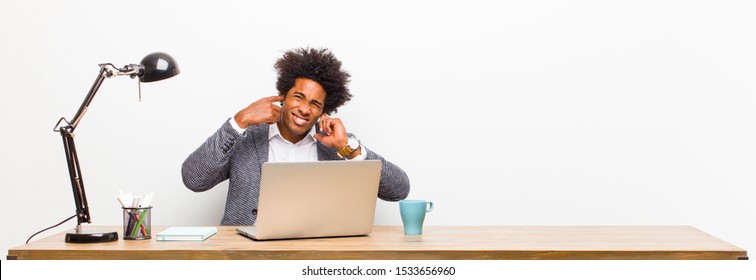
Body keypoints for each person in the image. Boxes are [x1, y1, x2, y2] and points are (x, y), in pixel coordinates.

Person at [181, 47, 410, 225]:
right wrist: (239, 122)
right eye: (298, 97)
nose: (304, 109)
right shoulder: (246, 137)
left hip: (315, 255)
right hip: (245, 255)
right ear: (283, 96)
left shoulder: (336, 144)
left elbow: (398, 190)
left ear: (323, 110)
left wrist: (349, 149)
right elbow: (194, 179)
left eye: (315, 103)